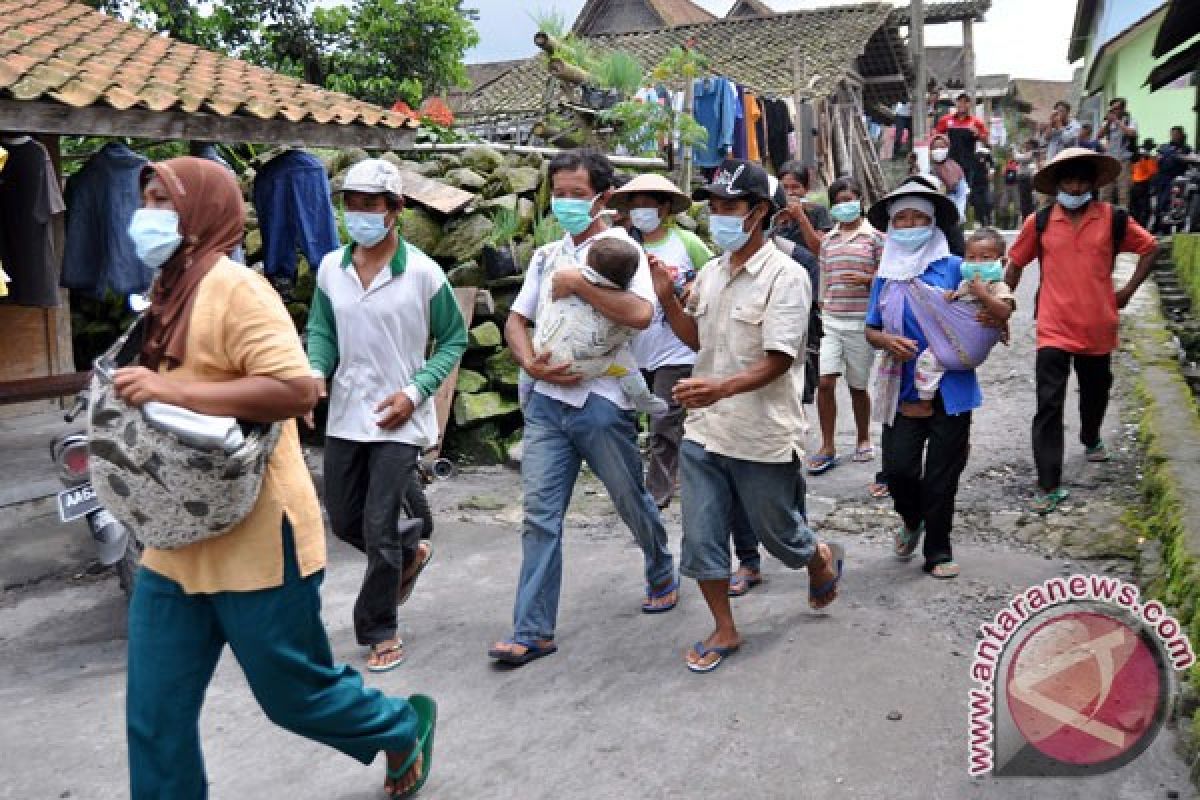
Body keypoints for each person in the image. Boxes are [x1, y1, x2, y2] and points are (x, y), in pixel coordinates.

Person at [118, 157, 434, 799]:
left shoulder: (238, 290)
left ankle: (400, 727)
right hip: (177, 533)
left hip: (258, 537)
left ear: (202, 213)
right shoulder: (167, 289)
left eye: (164, 200)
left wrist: (169, 387)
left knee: (296, 699)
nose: (150, 213)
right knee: (154, 718)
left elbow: (295, 391)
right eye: (147, 198)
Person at [650, 158, 844, 673]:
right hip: (706, 431)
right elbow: (698, 339)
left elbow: (781, 360)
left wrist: (720, 387)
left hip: (762, 432)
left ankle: (817, 556)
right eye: (713, 207)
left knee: (781, 535)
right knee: (700, 534)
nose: (719, 216)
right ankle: (725, 628)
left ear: (759, 211)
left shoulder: (788, 276)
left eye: (729, 207)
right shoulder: (712, 272)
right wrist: (670, 302)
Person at [488, 149, 677, 667]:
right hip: (548, 404)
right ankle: (532, 630)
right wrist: (530, 364)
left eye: (577, 193)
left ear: (601, 197)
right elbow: (515, 321)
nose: (567, 202)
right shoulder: (547, 255)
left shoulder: (621, 252)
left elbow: (640, 314)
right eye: (560, 193)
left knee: (629, 499)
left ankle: (661, 567)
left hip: (601, 403)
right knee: (540, 518)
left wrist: (580, 286)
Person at [306, 159, 465, 672]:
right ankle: (410, 549)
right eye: (351, 203)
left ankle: (379, 629)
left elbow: (453, 339)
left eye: (370, 204)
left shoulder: (422, 273)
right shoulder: (332, 267)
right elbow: (323, 331)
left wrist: (416, 391)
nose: (359, 213)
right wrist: (314, 373)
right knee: (345, 519)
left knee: (376, 527)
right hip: (348, 411)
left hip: (400, 417)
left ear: (395, 210)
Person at [1006, 147, 1158, 515]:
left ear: (1092, 184)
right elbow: (1014, 263)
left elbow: (1151, 248)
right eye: (1068, 180)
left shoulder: (1113, 219)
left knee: (1096, 390)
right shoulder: (1039, 223)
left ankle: (1090, 436)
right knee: (1048, 404)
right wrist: (1001, 304)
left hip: (1097, 325)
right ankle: (1048, 483)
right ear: (1057, 185)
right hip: (1053, 327)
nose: (1074, 186)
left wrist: (1127, 291)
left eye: (1081, 180)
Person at [864, 182, 986, 580]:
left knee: (941, 477)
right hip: (901, 387)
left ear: (933, 224)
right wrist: (886, 340)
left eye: (919, 217)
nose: (910, 224)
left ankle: (938, 550)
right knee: (898, 471)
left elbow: (981, 311)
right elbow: (871, 328)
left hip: (951, 389)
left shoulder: (954, 268)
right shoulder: (886, 275)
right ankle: (912, 518)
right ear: (892, 227)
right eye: (902, 218)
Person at [608, 173, 713, 510]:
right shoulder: (622, 246)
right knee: (629, 418)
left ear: (665, 208)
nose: (640, 212)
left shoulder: (687, 244)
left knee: (665, 422)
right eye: (635, 206)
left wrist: (687, 291)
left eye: (647, 205)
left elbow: (712, 277)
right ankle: (639, 484)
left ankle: (657, 493)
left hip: (676, 346)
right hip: (633, 347)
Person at [530, 236, 668, 415]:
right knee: (624, 361)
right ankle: (642, 397)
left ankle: (526, 395)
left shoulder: (565, 274)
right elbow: (635, 325)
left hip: (544, 353)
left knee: (538, 343)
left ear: (587, 259)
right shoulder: (619, 304)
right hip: (578, 365)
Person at [805, 176, 884, 484]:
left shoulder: (875, 238)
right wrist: (822, 304)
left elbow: (888, 274)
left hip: (861, 322)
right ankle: (828, 444)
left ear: (860, 200)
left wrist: (867, 280)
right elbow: (824, 275)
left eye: (848, 200)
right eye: (837, 202)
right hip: (833, 320)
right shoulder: (829, 241)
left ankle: (863, 437)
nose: (843, 206)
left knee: (857, 386)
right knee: (825, 382)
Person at [913, 227, 1014, 412]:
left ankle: (924, 403)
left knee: (929, 362)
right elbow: (960, 302)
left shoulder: (998, 286)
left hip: (975, 342)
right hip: (958, 342)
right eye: (971, 257)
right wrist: (952, 296)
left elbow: (1005, 311)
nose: (977, 264)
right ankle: (926, 400)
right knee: (927, 363)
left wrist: (984, 296)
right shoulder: (966, 284)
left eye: (985, 258)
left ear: (1002, 261)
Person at [934, 92, 990, 191]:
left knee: (965, 191)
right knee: (950, 190)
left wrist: (978, 134)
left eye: (966, 102)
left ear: (970, 104)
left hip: (968, 163)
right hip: (951, 162)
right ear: (956, 103)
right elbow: (935, 136)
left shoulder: (976, 122)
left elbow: (987, 143)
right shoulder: (947, 120)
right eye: (960, 101)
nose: (962, 104)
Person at [1098, 97, 1138, 206]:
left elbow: (1132, 133)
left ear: (1123, 109)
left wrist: (1117, 122)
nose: (1114, 111)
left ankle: (1122, 218)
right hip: (1109, 160)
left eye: (1117, 108)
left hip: (1124, 161)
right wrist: (1108, 123)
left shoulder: (1131, 121)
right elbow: (1099, 136)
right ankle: (1105, 218)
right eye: (1113, 109)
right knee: (1105, 192)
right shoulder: (1107, 122)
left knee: (1123, 193)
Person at [1154, 126, 1193, 229]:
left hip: (1177, 180)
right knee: (1160, 204)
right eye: (1172, 133)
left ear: (1181, 135)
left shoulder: (1186, 148)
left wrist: (1179, 157)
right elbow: (1157, 158)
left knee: (1175, 205)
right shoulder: (1164, 146)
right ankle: (1159, 227)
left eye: (1176, 134)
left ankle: (1177, 227)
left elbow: (1189, 159)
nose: (1174, 136)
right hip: (1163, 178)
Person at [929, 132, 970, 223]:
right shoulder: (927, 167)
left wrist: (959, 213)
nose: (938, 150)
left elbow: (962, 192)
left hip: (952, 211)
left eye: (942, 147)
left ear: (948, 148)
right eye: (935, 148)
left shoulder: (955, 168)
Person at [1130, 139, 1159, 229]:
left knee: (1135, 209)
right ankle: (1141, 228)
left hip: (1134, 185)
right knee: (1145, 209)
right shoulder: (1148, 158)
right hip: (1143, 185)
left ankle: (1134, 227)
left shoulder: (1136, 157)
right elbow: (1153, 171)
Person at [968, 141, 995, 227]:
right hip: (974, 184)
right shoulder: (970, 152)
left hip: (984, 183)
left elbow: (992, 165)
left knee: (988, 202)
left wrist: (991, 172)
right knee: (977, 203)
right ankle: (979, 221)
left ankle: (989, 220)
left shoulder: (986, 153)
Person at [1014, 138, 1039, 220]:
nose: (1025, 145)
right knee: (1024, 201)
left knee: (1026, 202)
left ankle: (1028, 219)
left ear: (1031, 145)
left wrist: (1015, 150)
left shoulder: (1032, 153)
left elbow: (1019, 158)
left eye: (1027, 143)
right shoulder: (1027, 153)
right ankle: (1026, 219)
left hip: (1026, 179)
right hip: (1022, 179)